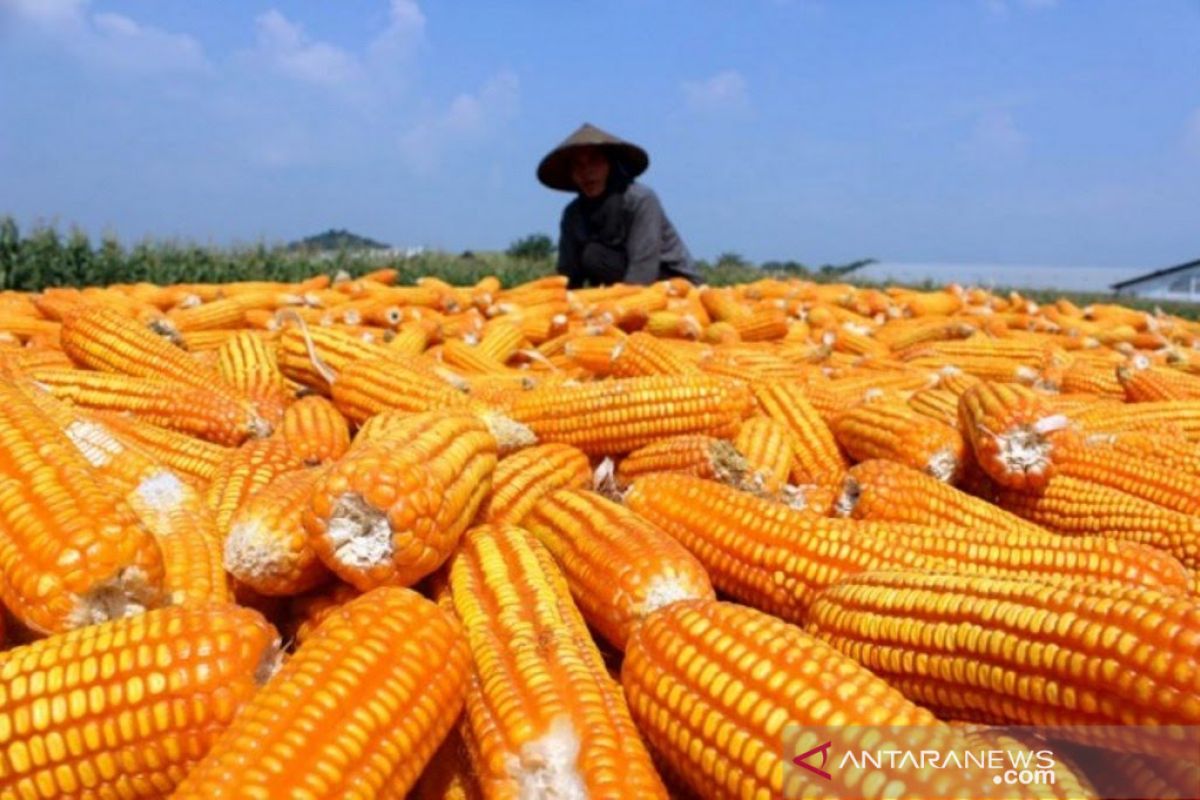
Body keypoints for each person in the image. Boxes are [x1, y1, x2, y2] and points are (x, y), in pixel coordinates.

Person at [537, 123, 701, 288]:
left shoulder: (640, 199)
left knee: (594, 255)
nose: (586, 172)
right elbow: (569, 272)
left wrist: (625, 306)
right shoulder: (573, 214)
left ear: (611, 165)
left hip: (669, 280)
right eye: (578, 165)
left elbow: (643, 266)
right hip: (618, 282)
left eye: (595, 161)